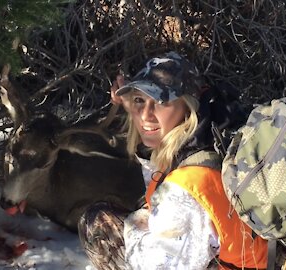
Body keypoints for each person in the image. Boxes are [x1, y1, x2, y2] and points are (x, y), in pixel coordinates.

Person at [78, 51, 268, 269]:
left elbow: (156, 266)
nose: (145, 115)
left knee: (97, 224)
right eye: (139, 100)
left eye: (160, 101)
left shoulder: (185, 189)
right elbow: (159, 174)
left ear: (188, 107)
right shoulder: (214, 138)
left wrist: (134, 225)